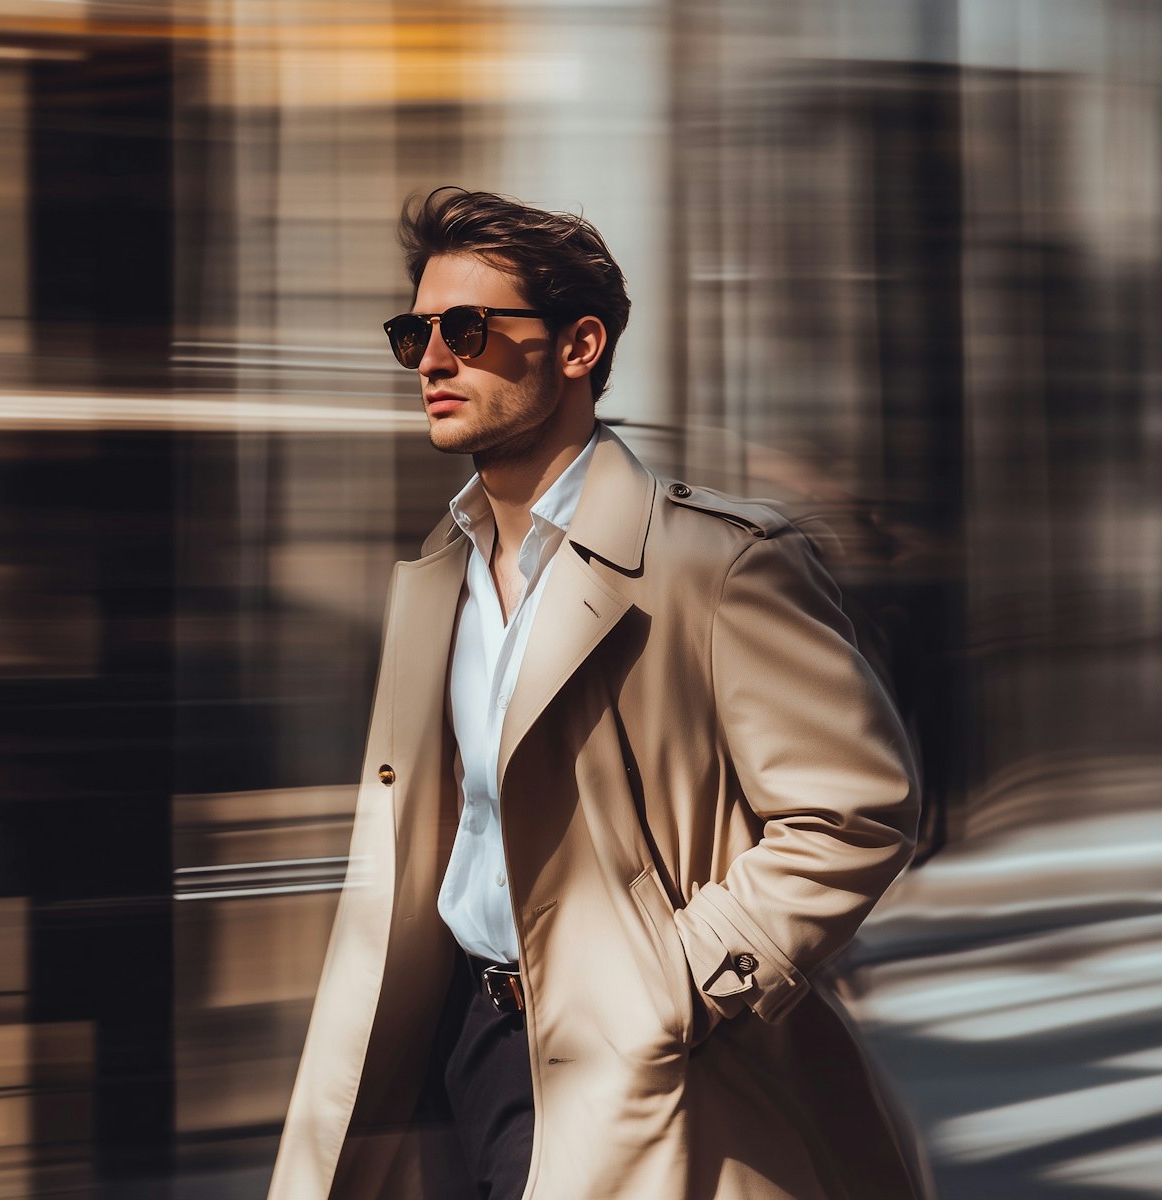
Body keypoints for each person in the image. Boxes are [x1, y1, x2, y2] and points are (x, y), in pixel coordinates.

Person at [268, 188, 926, 1200]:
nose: (432, 361)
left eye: (468, 330)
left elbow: (857, 810)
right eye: (416, 334)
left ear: (578, 347)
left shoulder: (716, 567)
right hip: (452, 1047)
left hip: (632, 1063)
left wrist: (674, 987)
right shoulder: (435, 577)